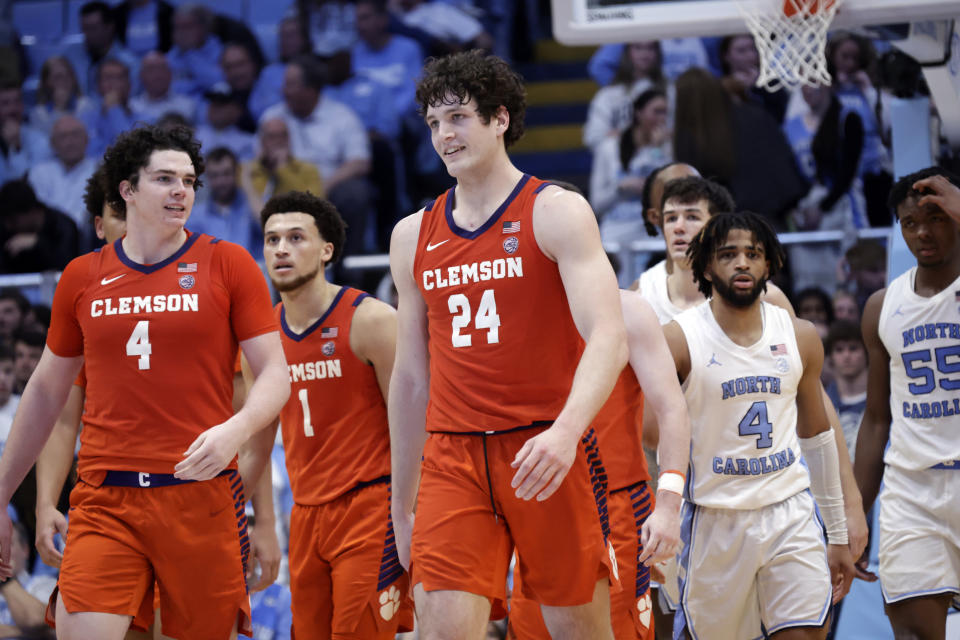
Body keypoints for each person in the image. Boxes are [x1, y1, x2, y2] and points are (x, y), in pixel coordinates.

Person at [0, 124, 290, 639]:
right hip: (106, 501)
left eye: (189, 180)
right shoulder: (81, 277)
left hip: (200, 499)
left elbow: (274, 377)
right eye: (165, 178)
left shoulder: (228, 264)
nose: (182, 190)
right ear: (126, 190)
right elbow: (46, 394)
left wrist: (235, 429)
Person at [389, 50, 628, 638]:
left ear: (500, 119)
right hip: (453, 457)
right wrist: (402, 499)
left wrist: (567, 431)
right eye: (434, 122)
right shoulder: (412, 234)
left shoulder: (556, 211)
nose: (445, 134)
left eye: (459, 118)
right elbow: (411, 378)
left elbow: (608, 335)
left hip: (544, 448)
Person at [663, 211, 855, 639]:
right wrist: (662, 511)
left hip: (790, 513)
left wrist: (837, 533)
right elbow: (650, 434)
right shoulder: (678, 339)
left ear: (769, 264)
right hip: (716, 519)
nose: (743, 263)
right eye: (728, 254)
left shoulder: (800, 335)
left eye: (753, 253)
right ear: (707, 266)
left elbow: (819, 438)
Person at [244, 189, 414, 638]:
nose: (281, 249)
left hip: (371, 507)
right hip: (304, 516)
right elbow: (256, 448)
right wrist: (258, 524)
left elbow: (416, 426)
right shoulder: (260, 342)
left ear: (326, 250)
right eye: (272, 239)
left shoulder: (373, 321)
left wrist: (411, 513)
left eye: (296, 237)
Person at [507, 284, 692, 640]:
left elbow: (672, 410)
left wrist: (669, 506)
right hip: (539, 504)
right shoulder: (511, 305)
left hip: (617, 507)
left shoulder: (630, 309)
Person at [854, 167, 960, 639]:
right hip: (911, 492)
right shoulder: (883, 306)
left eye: (936, 217)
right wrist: (856, 515)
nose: (922, 232)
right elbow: (877, 420)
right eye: (909, 221)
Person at [583, 42, 665, 151]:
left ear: (658, 52)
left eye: (650, 48)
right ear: (627, 52)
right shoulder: (608, 94)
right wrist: (631, 137)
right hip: (617, 162)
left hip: (660, 159)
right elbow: (592, 137)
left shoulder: (669, 90)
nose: (645, 54)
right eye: (638, 48)